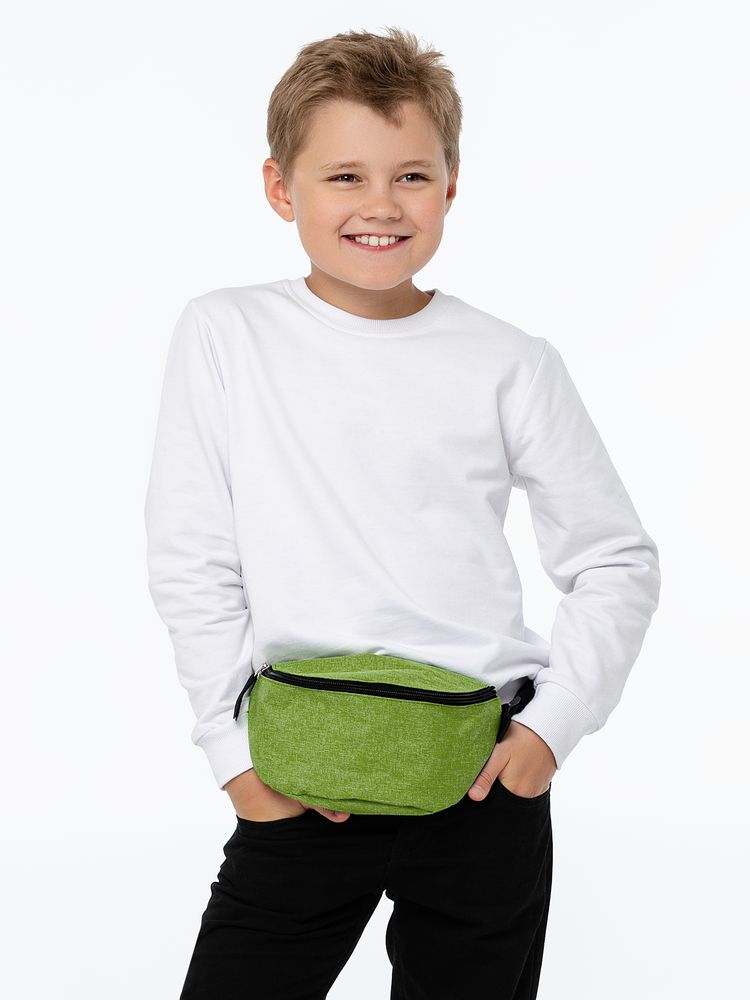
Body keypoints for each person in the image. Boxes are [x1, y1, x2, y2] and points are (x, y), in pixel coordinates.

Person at [144, 26, 661, 1000]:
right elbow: (192, 554)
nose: (380, 204)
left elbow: (615, 558)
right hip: (301, 776)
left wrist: (550, 732)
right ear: (280, 187)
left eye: (411, 176)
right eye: (345, 176)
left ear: (451, 187)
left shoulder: (511, 361)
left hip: (480, 776)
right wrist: (232, 756)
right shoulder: (228, 334)